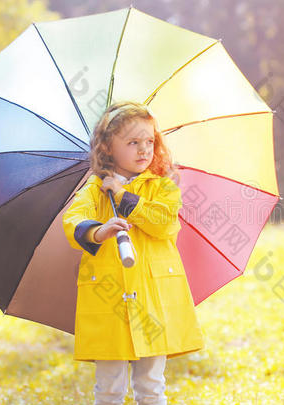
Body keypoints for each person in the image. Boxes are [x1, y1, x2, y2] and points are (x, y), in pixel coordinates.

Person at [62, 101, 204, 405]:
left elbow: (164, 223)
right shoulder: (93, 190)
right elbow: (72, 221)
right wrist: (100, 231)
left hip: (154, 301)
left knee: (151, 385)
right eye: (133, 142)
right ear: (108, 148)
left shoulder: (163, 188)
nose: (144, 150)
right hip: (109, 300)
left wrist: (124, 196)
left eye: (150, 141)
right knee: (110, 388)